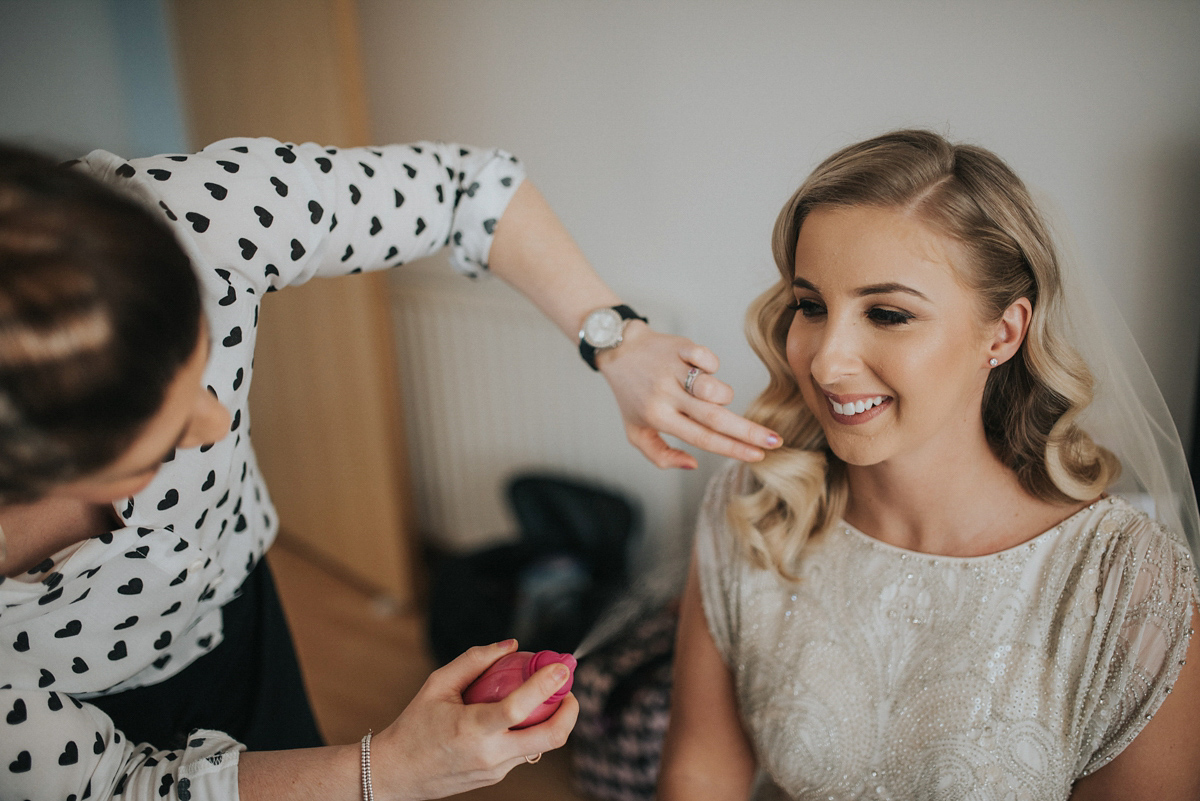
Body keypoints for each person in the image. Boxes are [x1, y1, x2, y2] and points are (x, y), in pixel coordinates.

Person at [0, 137, 781, 801]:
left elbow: (470, 188)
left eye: (202, 362)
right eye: (167, 429)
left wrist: (617, 340)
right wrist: (393, 768)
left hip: (237, 614)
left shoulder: (186, 216)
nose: (216, 425)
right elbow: (121, 786)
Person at [658, 130, 1200, 800]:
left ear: (1002, 333)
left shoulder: (1124, 584)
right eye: (810, 305)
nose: (827, 360)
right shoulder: (756, 507)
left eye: (887, 313)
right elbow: (699, 773)